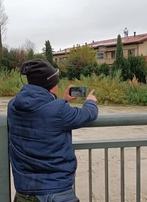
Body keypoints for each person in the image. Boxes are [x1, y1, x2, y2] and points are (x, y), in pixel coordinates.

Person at [7, 59, 99, 202]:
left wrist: (62, 100)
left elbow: (43, 114)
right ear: (50, 85)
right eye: (56, 82)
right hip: (55, 192)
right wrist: (90, 102)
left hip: (24, 191)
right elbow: (87, 115)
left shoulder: (13, 106)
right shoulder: (59, 110)